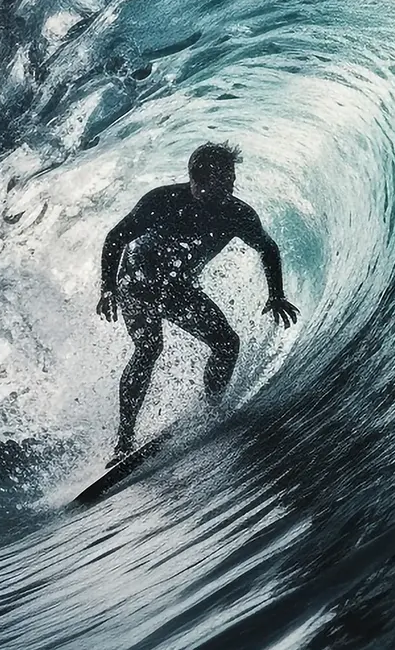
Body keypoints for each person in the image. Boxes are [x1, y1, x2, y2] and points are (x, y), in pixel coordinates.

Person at [97, 142, 299, 465]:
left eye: (231, 179)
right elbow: (116, 237)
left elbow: (268, 247)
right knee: (149, 348)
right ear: (196, 181)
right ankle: (123, 442)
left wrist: (276, 295)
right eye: (221, 182)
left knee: (226, 343)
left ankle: (209, 408)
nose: (229, 187)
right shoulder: (161, 202)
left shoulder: (237, 214)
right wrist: (107, 288)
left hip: (177, 287)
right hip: (136, 282)